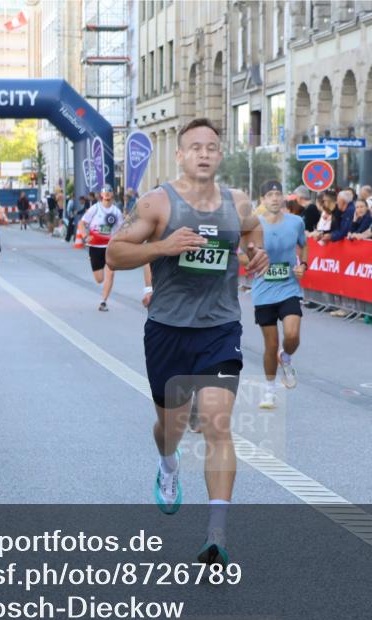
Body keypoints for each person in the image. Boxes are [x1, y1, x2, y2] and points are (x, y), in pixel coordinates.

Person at [106, 118, 268, 566]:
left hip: (220, 328)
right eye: (195, 147)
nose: (204, 154)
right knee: (170, 428)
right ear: (179, 155)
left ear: (220, 154)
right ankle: (168, 462)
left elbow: (253, 230)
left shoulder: (237, 201)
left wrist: (255, 252)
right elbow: (114, 253)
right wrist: (162, 247)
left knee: (217, 423)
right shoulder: (157, 203)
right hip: (168, 329)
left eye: (211, 147)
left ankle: (216, 534)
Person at [244, 180, 307, 409]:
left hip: (289, 287)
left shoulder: (296, 222)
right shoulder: (254, 225)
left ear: (283, 197)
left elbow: (304, 245)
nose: (274, 198)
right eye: (270, 195)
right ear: (262, 199)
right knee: (270, 345)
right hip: (263, 291)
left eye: (278, 194)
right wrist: (252, 261)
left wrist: (303, 265)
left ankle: (286, 357)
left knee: (292, 335)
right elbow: (241, 254)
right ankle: (269, 391)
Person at [80, 185, 125, 311]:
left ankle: (103, 301)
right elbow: (82, 223)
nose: (107, 193)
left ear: (112, 194)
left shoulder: (116, 212)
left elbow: (121, 229)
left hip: (110, 247)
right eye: (105, 192)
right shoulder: (95, 208)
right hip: (95, 247)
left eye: (109, 191)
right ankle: (96, 267)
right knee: (99, 279)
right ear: (101, 194)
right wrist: (85, 236)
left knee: (110, 273)